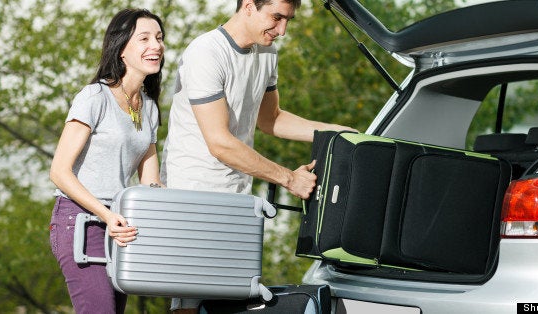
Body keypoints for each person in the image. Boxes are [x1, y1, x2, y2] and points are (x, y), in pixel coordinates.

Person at [160, 0, 355, 312]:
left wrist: (334, 131)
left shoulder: (267, 53)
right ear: (249, 6)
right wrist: (290, 179)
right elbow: (219, 143)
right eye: (276, 18)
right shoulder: (206, 52)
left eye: (288, 20)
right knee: (191, 303)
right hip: (193, 198)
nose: (282, 30)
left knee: (233, 301)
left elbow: (270, 119)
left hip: (238, 197)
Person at [48, 8, 165, 314]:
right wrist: (106, 214)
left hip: (121, 225)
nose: (156, 45)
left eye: (159, 38)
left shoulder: (149, 108)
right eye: (144, 38)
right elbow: (59, 172)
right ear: (122, 48)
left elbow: (151, 184)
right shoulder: (94, 97)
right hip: (80, 221)